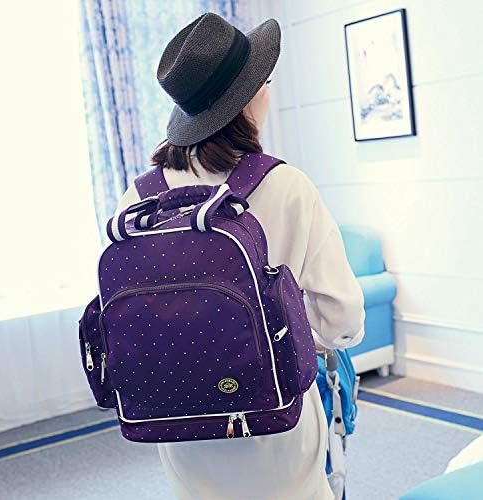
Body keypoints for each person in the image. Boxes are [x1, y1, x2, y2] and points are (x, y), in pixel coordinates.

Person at [115, 12, 365, 500]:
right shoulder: (285, 186)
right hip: (278, 420)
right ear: (248, 100)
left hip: (181, 422)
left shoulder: (138, 199)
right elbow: (342, 320)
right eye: (265, 84)